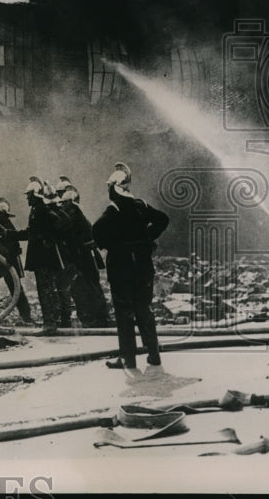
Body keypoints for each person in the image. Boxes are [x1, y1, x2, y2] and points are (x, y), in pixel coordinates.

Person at [92, 162, 170, 379]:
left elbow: (97, 231)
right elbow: (163, 219)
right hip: (143, 266)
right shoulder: (141, 205)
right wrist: (146, 238)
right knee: (144, 309)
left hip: (121, 268)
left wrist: (113, 244)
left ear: (113, 188)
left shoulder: (114, 209)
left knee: (124, 312)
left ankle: (128, 359)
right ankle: (154, 356)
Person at [18, 177, 72, 335]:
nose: (27, 198)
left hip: (44, 258)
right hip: (42, 257)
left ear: (35, 195)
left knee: (45, 290)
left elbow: (61, 222)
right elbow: (31, 232)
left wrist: (47, 238)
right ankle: (50, 321)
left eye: (29, 195)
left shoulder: (41, 209)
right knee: (45, 289)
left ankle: (50, 323)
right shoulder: (37, 209)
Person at [55, 182, 112, 328]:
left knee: (84, 287)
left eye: (63, 203)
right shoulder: (77, 214)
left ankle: (91, 319)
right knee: (92, 286)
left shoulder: (73, 216)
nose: (61, 205)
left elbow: (64, 232)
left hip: (82, 258)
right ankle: (100, 318)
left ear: (69, 203)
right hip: (86, 257)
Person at [0, 198, 33, 324]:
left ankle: (26, 317)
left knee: (16, 289)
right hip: (1, 262)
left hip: (10, 262)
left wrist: (7, 256)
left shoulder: (7, 226)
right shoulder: (0, 226)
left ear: (4, 214)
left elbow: (14, 245)